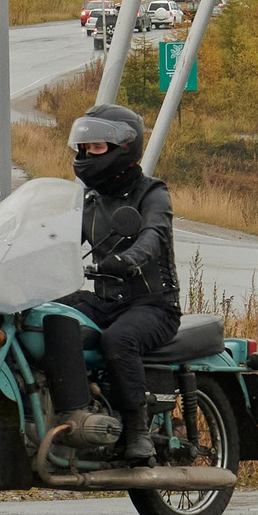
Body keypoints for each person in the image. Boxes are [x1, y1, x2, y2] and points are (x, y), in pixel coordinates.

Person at [42, 103, 180, 464]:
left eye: (96, 148)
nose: (87, 155)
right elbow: (56, 238)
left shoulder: (153, 193)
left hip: (152, 306)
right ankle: (70, 412)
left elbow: (154, 235)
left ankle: (138, 431)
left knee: (118, 339)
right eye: (84, 148)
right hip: (105, 302)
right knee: (50, 315)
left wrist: (129, 259)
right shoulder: (89, 200)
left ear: (124, 148)